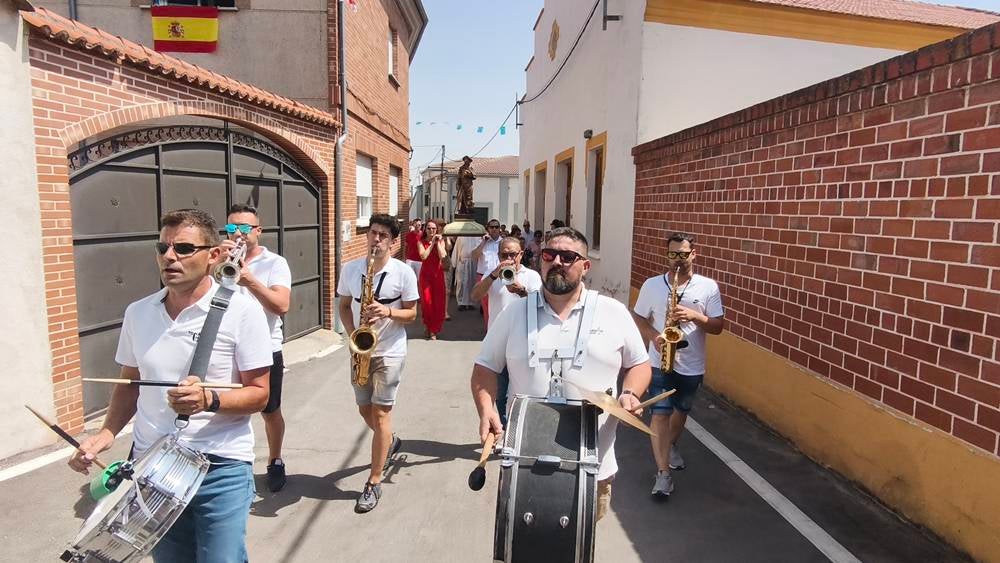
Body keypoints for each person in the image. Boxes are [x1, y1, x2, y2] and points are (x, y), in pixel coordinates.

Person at [69, 209, 273, 563]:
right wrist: (105, 434)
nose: (168, 256)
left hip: (219, 469)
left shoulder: (243, 311)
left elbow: (260, 393)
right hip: (153, 470)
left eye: (183, 248)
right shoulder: (138, 312)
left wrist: (209, 399)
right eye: (162, 247)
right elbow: (131, 383)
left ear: (213, 256)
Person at [471, 227, 651, 522]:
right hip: (523, 466)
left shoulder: (613, 312)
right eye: (549, 254)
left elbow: (640, 364)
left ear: (585, 266)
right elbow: (484, 368)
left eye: (568, 256)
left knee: (576, 549)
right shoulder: (514, 313)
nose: (557, 261)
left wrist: (630, 393)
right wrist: (486, 408)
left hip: (594, 468)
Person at [631, 232, 724, 498]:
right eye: (673, 254)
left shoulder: (708, 287)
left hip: (691, 363)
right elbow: (638, 317)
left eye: (684, 254)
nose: (678, 260)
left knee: (680, 411)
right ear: (666, 255)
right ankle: (663, 474)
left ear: (694, 254)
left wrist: (696, 316)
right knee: (659, 414)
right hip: (659, 361)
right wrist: (654, 337)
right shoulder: (652, 285)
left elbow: (718, 326)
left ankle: (670, 444)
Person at [337, 213, 418, 513]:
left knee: (382, 414)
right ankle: (390, 441)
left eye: (383, 235)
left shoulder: (403, 273)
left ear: (393, 241)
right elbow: (344, 305)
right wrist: (353, 336)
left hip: (391, 352)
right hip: (361, 350)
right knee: (364, 409)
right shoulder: (351, 269)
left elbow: (412, 313)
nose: (376, 239)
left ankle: (374, 481)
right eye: (373, 233)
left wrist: (388, 312)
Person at [221, 204, 292, 493]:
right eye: (231, 228)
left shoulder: (275, 263)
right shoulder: (217, 260)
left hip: (264, 348)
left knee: (269, 410)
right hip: (226, 348)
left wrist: (248, 279)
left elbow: (281, 306)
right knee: (224, 411)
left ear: (258, 231)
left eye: (244, 228)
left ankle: (275, 460)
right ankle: (228, 468)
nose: (238, 233)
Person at [470, 236, 542, 425]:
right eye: (504, 254)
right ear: (498, 254)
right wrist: (494, 274)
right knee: (500, 393)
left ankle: (518, 429)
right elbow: (475, 295)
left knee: (523, 391)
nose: (509, 258)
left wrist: (522, 291)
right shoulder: (492, 273)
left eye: (513, 254)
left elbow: (542, 306)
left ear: (521, 254)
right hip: (498, 343)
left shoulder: (532, 276)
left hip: (524, 341)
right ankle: (505, 429)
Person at [418, 219, 449, 340]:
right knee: (426, 303)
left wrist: (437, 243)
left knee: (437, 303)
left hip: (437, 275)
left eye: (434, 229)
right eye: (429, 228)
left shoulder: (440, 241)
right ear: (425, 230)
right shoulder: (421, 242)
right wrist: (431, 244)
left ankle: (433, 330)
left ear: (437, 230)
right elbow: (423, 256)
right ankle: (428, 325)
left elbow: (443, 256)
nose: (431, 231)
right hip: (425, 276)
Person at [472, 219, 503, 322]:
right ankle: (488, 331)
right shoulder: (481, 241)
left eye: (496, 227)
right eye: (492, 227)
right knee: (486, 306)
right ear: (488, 229)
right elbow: (474, 256)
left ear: (500, 229)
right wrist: (484, 242)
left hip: (500, 276)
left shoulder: (503, 242)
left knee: (499, 304)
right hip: (483, 276)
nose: (494, 229)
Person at [452, 233, 478, 311]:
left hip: (473, 261)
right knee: (461, 282)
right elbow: (456, 249)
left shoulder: (476, 237)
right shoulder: (461, 236)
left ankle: (471, 302)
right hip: (462, 261)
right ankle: (461, 302)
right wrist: (454, 263)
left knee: (472, 282)